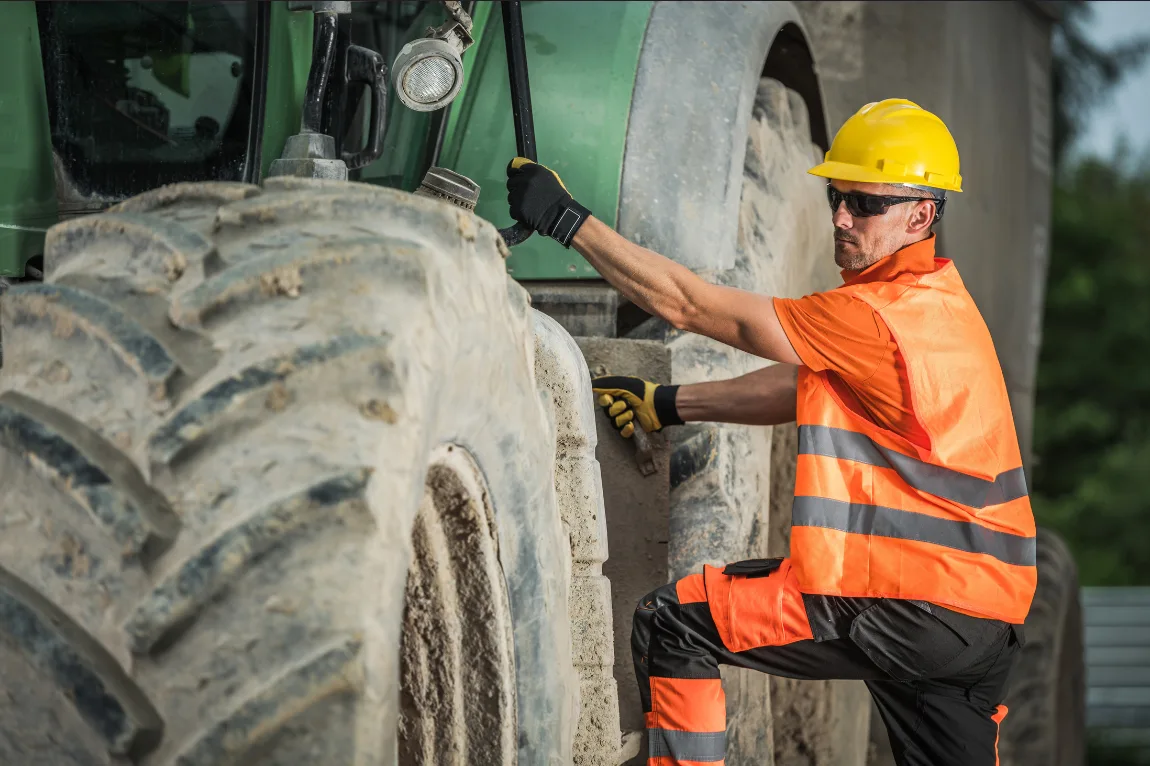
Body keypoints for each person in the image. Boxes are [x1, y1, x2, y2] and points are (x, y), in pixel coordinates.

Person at [505, 98, 1035, 766]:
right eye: (837, 197)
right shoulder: (941, 309)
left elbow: (691, 306)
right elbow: (808, 386)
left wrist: (566, 220)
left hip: (905, 605)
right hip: (981, 625)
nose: (842, 217)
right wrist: (671, 403)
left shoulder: (871, 316)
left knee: (675, 622)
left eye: (865, 204)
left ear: (920, 215)